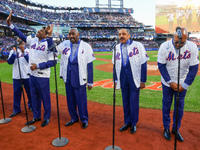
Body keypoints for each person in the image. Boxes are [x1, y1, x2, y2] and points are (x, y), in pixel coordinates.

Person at [7, 11, 56, 127]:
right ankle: (36, 116)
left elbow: (53, 60)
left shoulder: (48, 43)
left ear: (45, 34)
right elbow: (21, 35)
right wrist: (10, 24)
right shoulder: (33, 40)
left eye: (40, 31)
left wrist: (50, 36)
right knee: (34, 98)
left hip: (42, 76)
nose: (37, 32)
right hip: (32, 75)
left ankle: (47, 117)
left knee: (45, 98)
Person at [157, 27, 199, 141]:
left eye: (182, 42)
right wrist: (170, 82)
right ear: (173, 37)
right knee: (166, 105)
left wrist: (184, 85)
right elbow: (161, 66)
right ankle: (166, 128)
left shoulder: (192, 47)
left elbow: (194, 68)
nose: (178, 44)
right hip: (167, 82)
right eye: (176, 41)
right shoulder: (164, 46)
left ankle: (176, 129)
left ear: (187, 39)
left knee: (179, 108)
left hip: (182, 81)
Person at [55, 28, 95, 129]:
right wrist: (50, 35)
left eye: (73, 34)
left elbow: (90, 65)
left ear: (78, 34)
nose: (71, 36)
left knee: (81, 100)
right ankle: (73, 118)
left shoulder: (86, 46)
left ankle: (84, 119)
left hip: (79, 77)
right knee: (70, 100)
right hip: (68, 77)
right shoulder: (64, 43)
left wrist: (90, 82)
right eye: (69, 34)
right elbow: (54, 51)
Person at [112, 29, 149, 134]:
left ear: (129, 35)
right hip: (123, 78)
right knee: (125, 102)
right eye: (119, 34)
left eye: (123, 34)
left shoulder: (138, 45)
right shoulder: (116, 47)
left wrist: (143, 80)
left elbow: (143, 63)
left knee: (133, 102)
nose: (121, 36)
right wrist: (115, 79)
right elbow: (114, 65)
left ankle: (133, 123)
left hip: (134, 78)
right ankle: (126, 122)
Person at [7, 38, 32, 117]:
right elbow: (10, 62)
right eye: (18, 40)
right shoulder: (12, 51)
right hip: (17, 76)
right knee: (17, 94)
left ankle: (31, 106)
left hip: (27, 75)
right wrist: (14, 52)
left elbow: (30, 61)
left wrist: (23, 51)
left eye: (21, 40)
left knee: (30, 93)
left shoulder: (29, 50)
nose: (19, 41)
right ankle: (16, 110)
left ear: (24, 42)